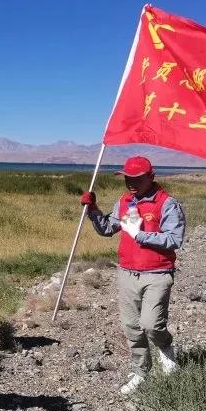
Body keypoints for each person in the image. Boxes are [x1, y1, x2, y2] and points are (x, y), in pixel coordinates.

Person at [81, 156, 185, 395]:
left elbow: (174, 239)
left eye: (137, 178)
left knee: (151, 324)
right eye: (128, 177)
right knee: (131, 327)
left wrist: (140, 236)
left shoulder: (166, 203)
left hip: (157, 273)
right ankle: (140, 372)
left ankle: (166, 349)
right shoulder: (126, 201)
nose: (131, 183)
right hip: (127, 272)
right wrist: (93, 210)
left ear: (151, 176)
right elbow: (108, 229)